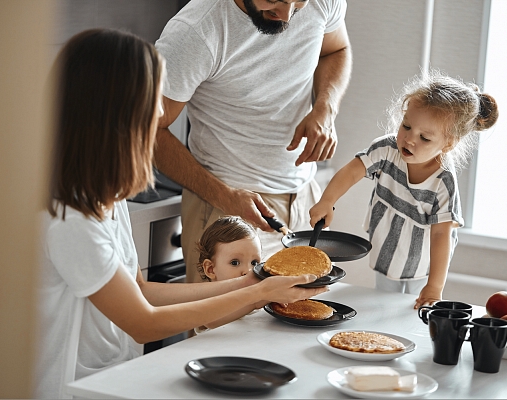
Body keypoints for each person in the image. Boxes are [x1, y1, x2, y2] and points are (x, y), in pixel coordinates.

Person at [35, 28, 327, 399]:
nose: (161, 111)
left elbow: (140, 292)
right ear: (117, 113)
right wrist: (261, 291)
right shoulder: (70, 219)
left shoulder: (104, 197)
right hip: (65, 388)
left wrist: (251, 284)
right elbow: (143, 322)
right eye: (153, 98)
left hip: (104, 377)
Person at [153, 0, 352, 283]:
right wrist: (225, 197)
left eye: (298, 3)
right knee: (224, 328)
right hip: (228, 207)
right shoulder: (195, 31)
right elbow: (146, 132)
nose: (286, 16)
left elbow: (335, 49)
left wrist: (326, 108)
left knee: (305, 321)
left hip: (304, 200)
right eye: (274, 0)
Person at [309, 70, 499, 309]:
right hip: (386, 251)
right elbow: (352, 170)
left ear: (448, 143)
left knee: (412, 311)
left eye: (424, 138)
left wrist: (435, 286)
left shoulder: (443, 181)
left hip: (423, 265)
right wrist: (327, 200)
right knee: (383, 305)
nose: (409, 139)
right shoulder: (387, 149)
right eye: (406, 126)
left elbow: (441, 234)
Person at [193, 216, 263, 333]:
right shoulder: (209, 299)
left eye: (254, 263)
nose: (248, 270)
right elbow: (211, 321)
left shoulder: (256, 293)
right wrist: (258, 301)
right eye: (235, 263)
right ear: (210, 269)